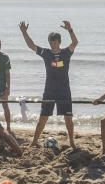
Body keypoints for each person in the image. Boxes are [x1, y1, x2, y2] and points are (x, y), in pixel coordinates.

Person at [19, 20, 79, 149]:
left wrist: (70, 30)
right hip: (50, 90)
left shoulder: (66, 53)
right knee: (43, 117)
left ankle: (72, 142)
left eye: (55, 42)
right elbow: (31, 45)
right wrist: (24, 32)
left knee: (68, 118)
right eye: (51, 42)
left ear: (59, 42)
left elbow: (75, 43)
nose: (53, 44)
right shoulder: (46, 53)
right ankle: (34, 141)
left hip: (64, 90)